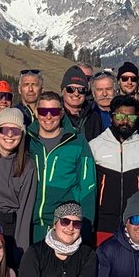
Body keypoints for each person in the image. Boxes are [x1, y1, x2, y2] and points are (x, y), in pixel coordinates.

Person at [89, 95, 139, 242]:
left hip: (136, 225)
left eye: (130, 117)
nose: (125, 121)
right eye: (120, 116)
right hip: (102, 225)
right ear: (111, 117)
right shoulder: (95, 146)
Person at [29, 90, 96, 242]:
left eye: (54, 111)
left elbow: (88, 188)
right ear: (36, 113)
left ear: (62, 113)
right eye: (43, 111)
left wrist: (86, 230)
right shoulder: (27, 140)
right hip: (32, 227)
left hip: (65, 226)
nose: (48, 116)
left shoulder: (77, 142)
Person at [0, 108, 35, 263]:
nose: (9, 135)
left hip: (9, 226)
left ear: (22, 134)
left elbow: (25, 210)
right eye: (4, 129)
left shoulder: (27, 166)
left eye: (15, 131)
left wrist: (21, 251)